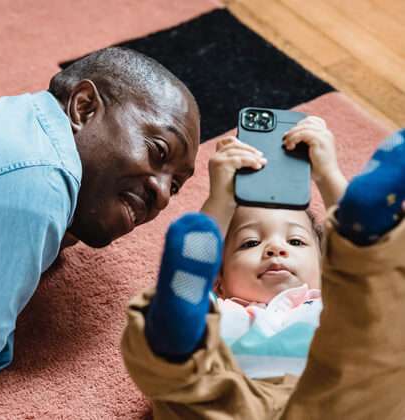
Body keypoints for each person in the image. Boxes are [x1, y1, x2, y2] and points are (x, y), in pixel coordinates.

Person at [122, 118, 405, 419]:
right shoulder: (223, 310)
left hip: (328, 390)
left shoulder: (332, 301)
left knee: (377, 316)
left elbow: (356, 283)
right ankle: (177, 341)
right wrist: (221, 199)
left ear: (326, 267)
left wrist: (328, 174)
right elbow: (203, 246)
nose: (275, 248)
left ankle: (361, 231)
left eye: (296, 241)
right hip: (235, 396)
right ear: (218, 278)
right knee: (183, 376)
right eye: (249, 243)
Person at [0, 47, 200, 398]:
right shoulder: (40, 185)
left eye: (175, 186)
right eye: (158, 151)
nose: (162, 195)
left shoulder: (16, 126)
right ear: (84, 107)